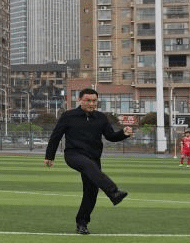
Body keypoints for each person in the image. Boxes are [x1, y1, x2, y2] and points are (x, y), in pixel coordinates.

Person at [44, 88, 131, 235]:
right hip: (73, 155)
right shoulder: (68, 116)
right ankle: (113, 192)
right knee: (89, 166)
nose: (91, 103)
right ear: (80, 100)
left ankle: (82, 223)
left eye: (94, 101)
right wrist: (49, 156)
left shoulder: (101, 118)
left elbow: (110, 136)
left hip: (93, 157)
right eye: (88, 100)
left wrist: (123, 133)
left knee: (91, 191)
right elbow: (56, 136)